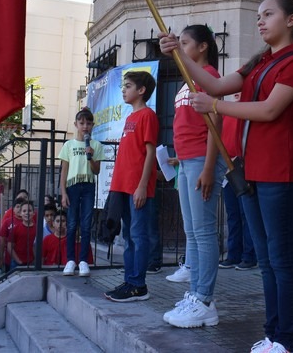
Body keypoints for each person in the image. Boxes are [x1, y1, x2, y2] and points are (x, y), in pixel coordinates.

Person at [159, 0, 293, 353]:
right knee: (266, 260)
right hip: (250, 172)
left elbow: (270, 110)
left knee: (281, 259)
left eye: (268, 15)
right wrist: (178, 55)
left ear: (291, 20)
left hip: (280, 171)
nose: (260, 21)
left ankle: (288, 341)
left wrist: (216, 106)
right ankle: (273, 335)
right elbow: (214, 85)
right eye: (259, 16)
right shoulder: (259, 61)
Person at [162, 25, 228, 328]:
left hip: (202, 161)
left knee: (203, 232)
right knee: (192, 232)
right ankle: (195, 296)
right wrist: (180, 158)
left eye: (185, 43)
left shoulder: (210, 77)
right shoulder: (185, 83)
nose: (182, 47)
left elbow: (216, 123)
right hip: (186, 162)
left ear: (202, 47)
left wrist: (207, 167)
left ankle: (203, 298)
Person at [104, 71, 158, 303]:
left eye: (128, 86)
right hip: (123, 187)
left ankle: (139, 285)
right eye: (123, 86)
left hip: (137, 188)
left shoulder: (148, 115)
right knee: (128, 235)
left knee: (138, 234)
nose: (124, 90)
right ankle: (130, 280)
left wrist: (142, 186)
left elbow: (150, 153)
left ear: (141, 90)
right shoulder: (129, 118)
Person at [59, 107, 103, 277]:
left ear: (92, 125)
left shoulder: (96, 145)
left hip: (88, 185)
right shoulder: (69, 145)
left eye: (88, 123)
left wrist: (90, 156)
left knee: (86, 224)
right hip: (73, 186)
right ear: (76, 124)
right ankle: (70, 260)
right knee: (71, 224)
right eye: (82, 123)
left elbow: (97, 170)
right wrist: (63, 192)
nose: (85, 126)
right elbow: (64, 170)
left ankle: (83, 261)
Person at [219, 94, 257, 271]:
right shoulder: (227, 113)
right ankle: (233, 254)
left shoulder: (248, 112)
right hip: (227, 169)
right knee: (233, 215)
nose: (236, 93)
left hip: (242, 166)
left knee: (246, 214)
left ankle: (249, 256)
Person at [0, 197, 25, 274]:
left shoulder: (29, 223)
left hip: (26, 259)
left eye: (22, 207)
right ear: (13, 209)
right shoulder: (7, 222)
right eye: (17, 206)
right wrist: (1, 258)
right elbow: (2, 241)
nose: (19, 209)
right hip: (9, 259)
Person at [8, 201, 37, 269]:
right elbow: (9, 247)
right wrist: (18, 261)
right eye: (24, 211)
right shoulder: (15, 229)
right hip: (16, 263)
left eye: (29, 210)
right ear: (20, 213)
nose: (27, 213)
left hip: (32, 262)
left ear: (33, 213)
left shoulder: (37, 229)